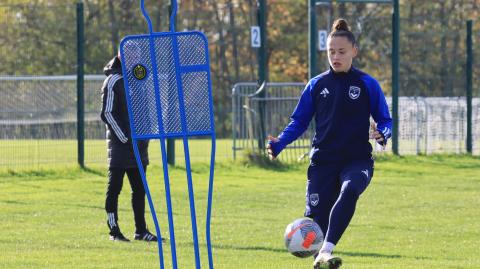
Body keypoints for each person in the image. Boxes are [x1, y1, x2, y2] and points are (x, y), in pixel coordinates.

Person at [267, 19, 392, 269]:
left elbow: (385, 119)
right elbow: (299, 121)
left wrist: (383, 133)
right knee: (316, 222)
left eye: (341, 52)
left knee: (350, 189)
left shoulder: (367, 84)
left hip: (357, 160)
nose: (335, 56)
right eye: (331, 52)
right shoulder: (316, 85)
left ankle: (326, 250)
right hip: (322, 162)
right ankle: (321, 260)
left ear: (354, 51)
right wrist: (280, 142)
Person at [100, 53, 158, 242]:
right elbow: (107, 113)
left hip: (139, 146)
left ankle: (141, 231)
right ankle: (114, 231)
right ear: (120, 55)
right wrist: (125, 137)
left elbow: (148, 82)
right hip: (120, 146)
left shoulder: (137, 77)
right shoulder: (113, 81)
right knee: (114, 188)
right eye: (129, 54)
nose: (134, 57)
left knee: (140, 189)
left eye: (136, 53)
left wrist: (145, 136)